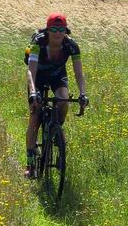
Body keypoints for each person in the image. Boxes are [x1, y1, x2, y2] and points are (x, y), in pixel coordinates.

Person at [24, 12, 88, 178]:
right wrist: (32, 93)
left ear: (66, 31)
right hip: (38, 77)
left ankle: (56, 130)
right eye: (54, 29)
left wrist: (83, 93)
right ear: (48, 30)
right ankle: (30, 165)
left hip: (57, 76)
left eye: (61, 29)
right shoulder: (39, 42)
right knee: (35, 117)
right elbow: (31, 71)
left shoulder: (71, 46)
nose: (58, 32)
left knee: (63, 101)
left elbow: (79, 73)